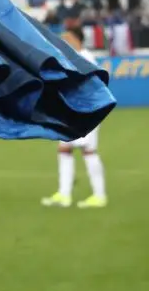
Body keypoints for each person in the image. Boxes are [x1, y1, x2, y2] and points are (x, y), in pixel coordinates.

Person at [41, 29, 108, 209]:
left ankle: (99, 195)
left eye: (67, 38)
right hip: (72, 111)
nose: (63, 41)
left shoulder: (85, 58)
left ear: (77, 39)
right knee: (64, 149)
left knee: (88, 150)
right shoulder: (70, 57)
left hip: (87, 110)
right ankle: (64, 194)